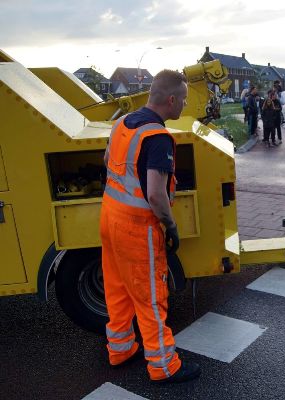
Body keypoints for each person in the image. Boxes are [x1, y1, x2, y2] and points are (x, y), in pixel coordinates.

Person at [100, 70, 201, 384]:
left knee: (117, 289)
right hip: (137, 228)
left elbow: (107, 160)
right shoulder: (157, 138)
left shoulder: (122, 123)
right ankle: (164, 366)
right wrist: (170, 225)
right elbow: (156, 193)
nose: (184, 106)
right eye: (183, 100)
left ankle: (120, 349)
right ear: (171, 101)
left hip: (110, 217)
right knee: (150, 298)